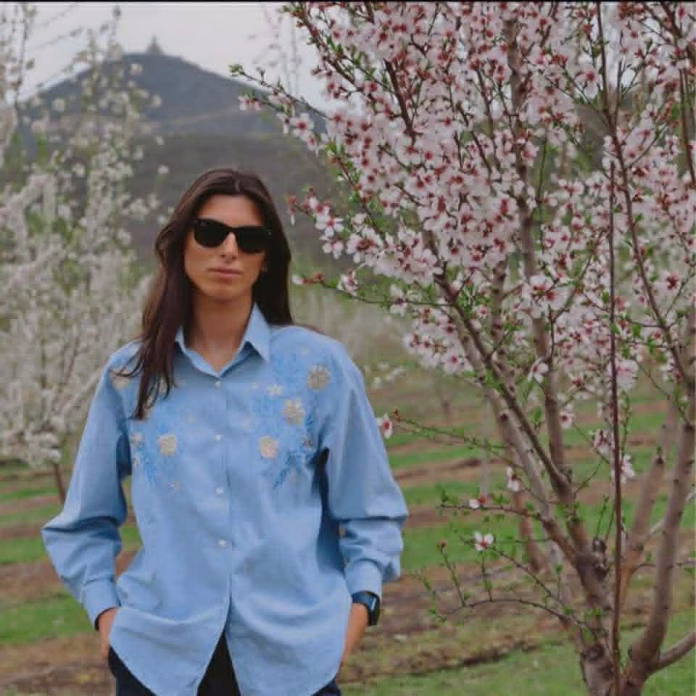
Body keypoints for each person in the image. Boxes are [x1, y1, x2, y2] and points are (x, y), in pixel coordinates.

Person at [41, 168, 409, 696]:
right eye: (211, 232)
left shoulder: (319, 371)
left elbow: (370, 510)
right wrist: (106, 614)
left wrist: (359, 609)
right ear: (181, 244)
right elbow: (83, 521)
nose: (229, 250)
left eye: (250, 239)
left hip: (295, 663)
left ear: (266, 258)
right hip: (159, 662)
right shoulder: (131, 377)